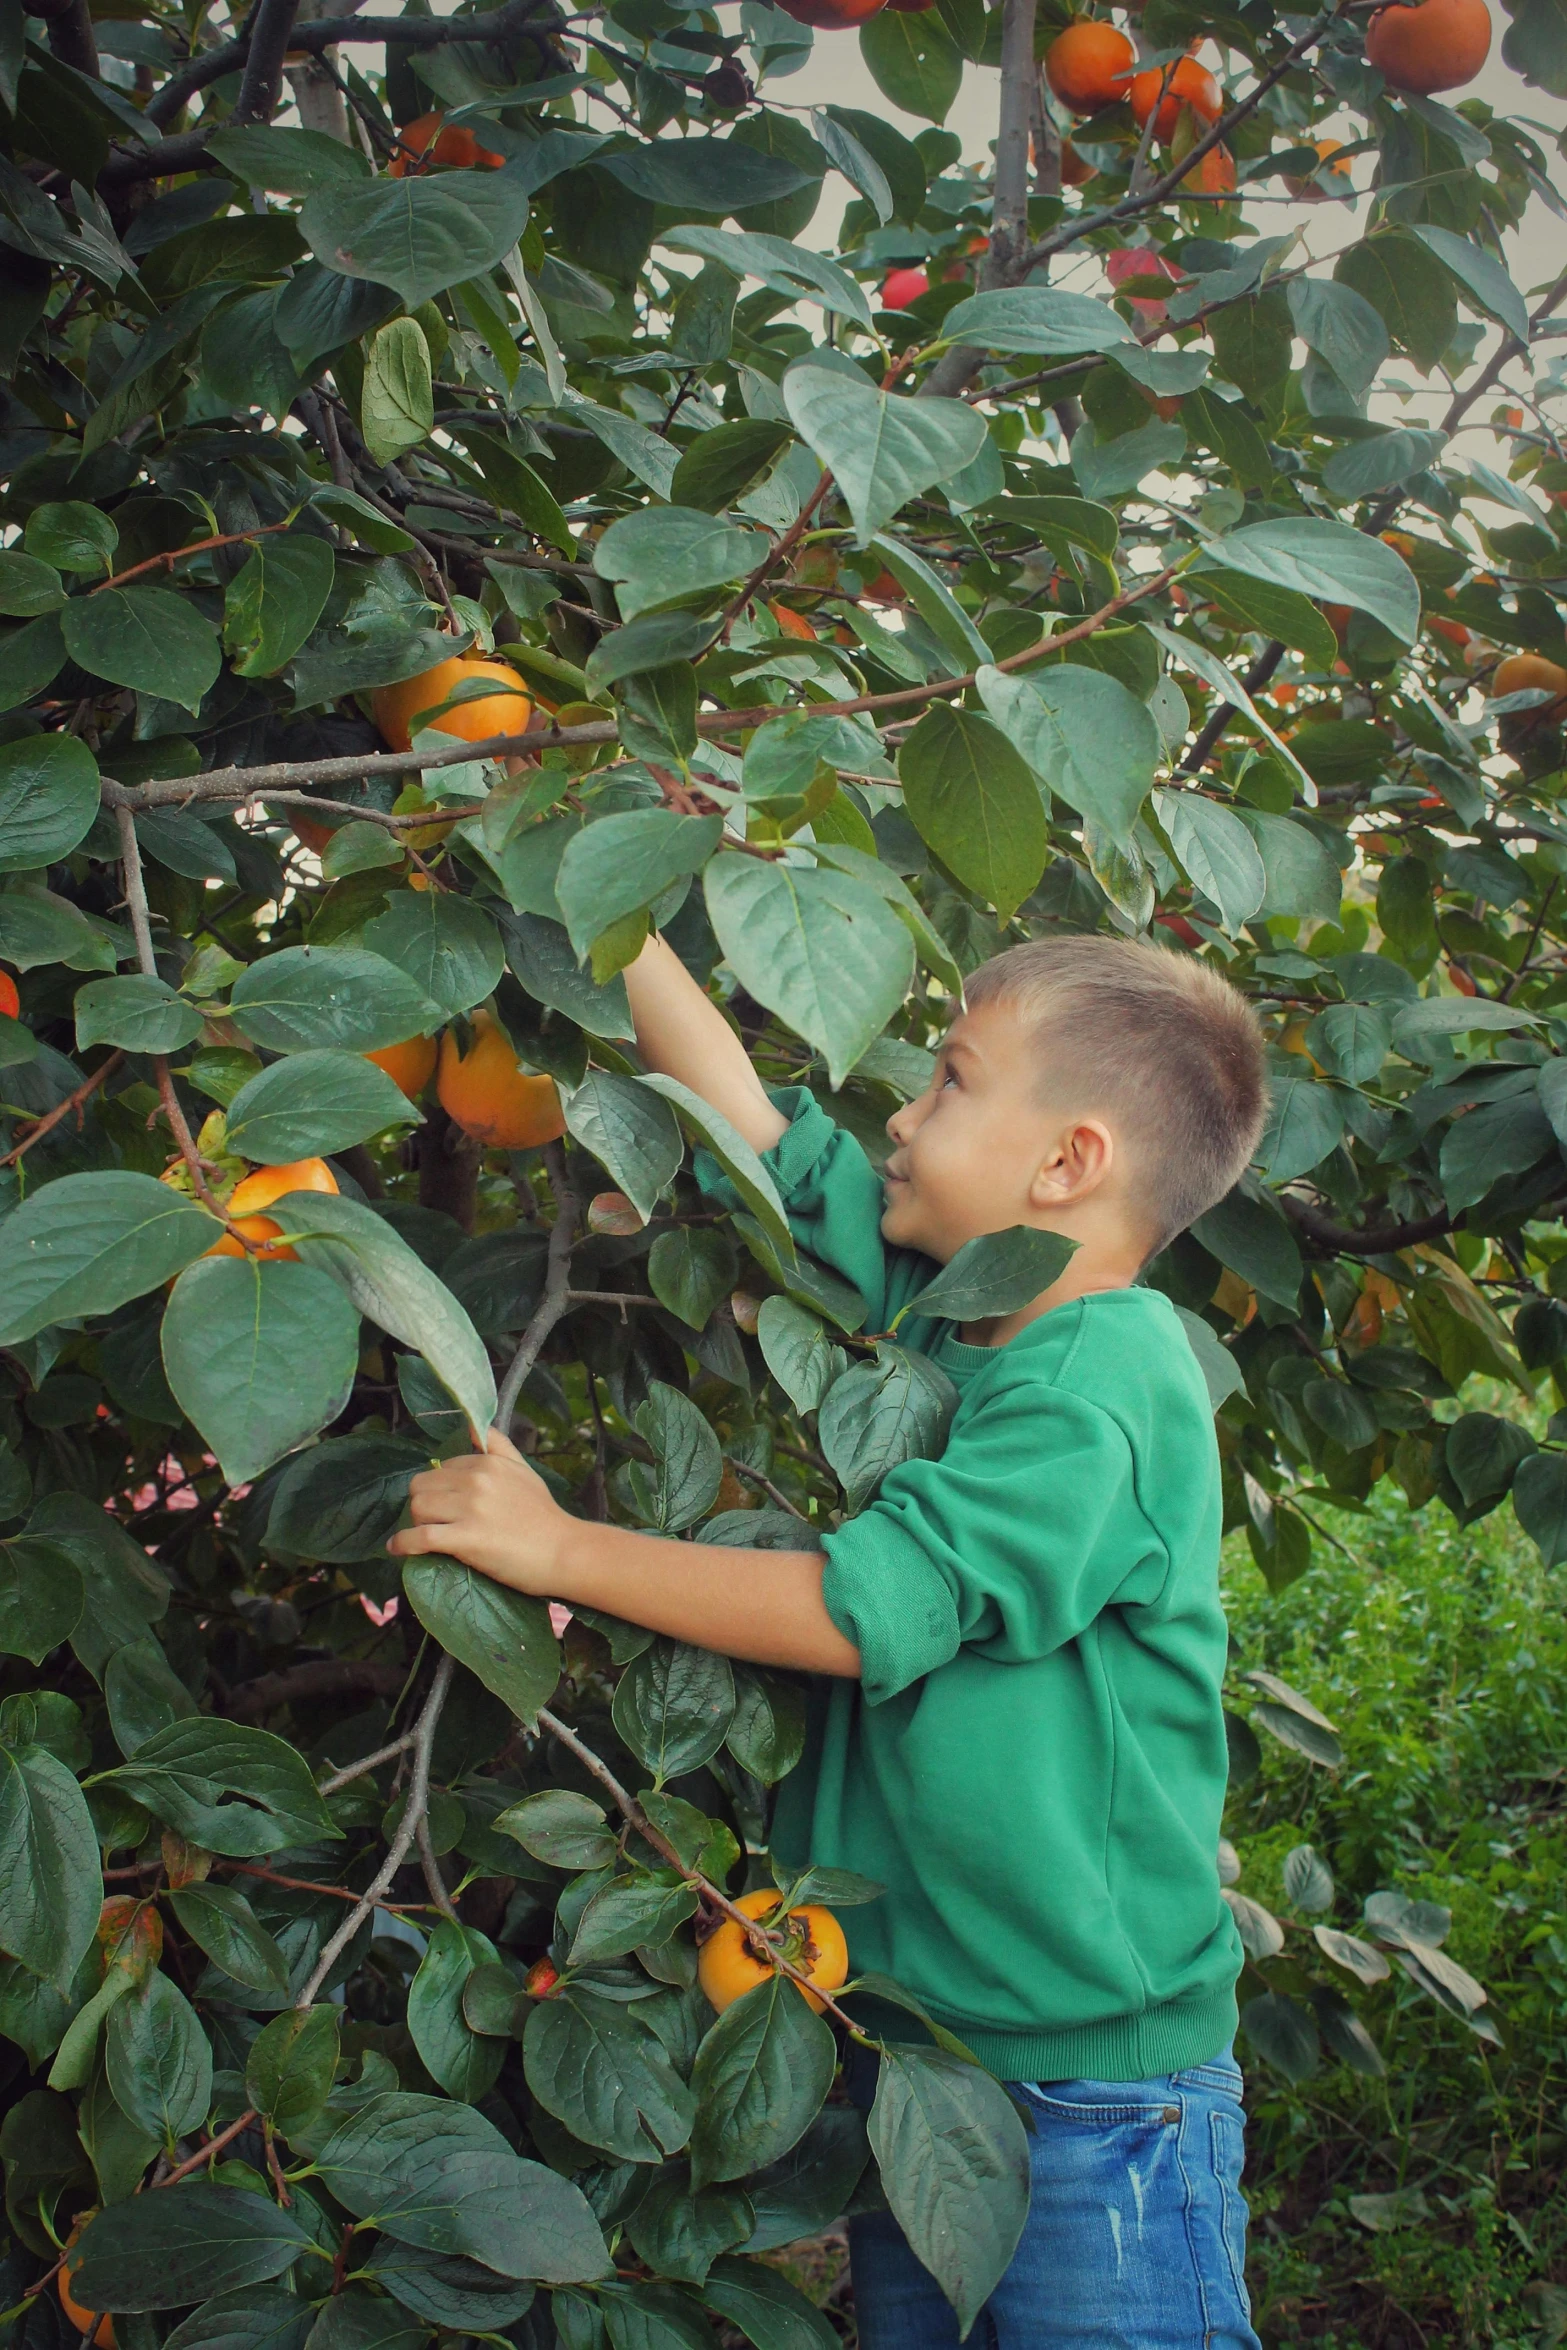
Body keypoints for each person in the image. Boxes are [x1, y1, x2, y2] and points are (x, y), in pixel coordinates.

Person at [389, 928, 1269, 2349]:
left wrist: (558, 1548)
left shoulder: (1105, 1380)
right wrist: (609, 911)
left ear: (1065, 1163)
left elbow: (857, 1611)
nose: (903, 1116)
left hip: (1089, 2094)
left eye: (950, 1079)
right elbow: (764, 1142)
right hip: (913, 2052)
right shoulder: (957, 1320)